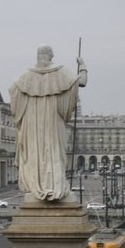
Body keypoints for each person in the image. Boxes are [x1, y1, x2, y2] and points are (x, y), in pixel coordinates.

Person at [10, 44, 87, 202]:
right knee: (54, 151)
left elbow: (13, 90)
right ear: (50, 56)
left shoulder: (27, 75)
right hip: (53, 121)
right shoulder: (60, 72)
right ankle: (54, 185)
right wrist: (83, 65)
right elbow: (82, 82)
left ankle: (37, 185)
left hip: (33, 123)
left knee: (36, 153)